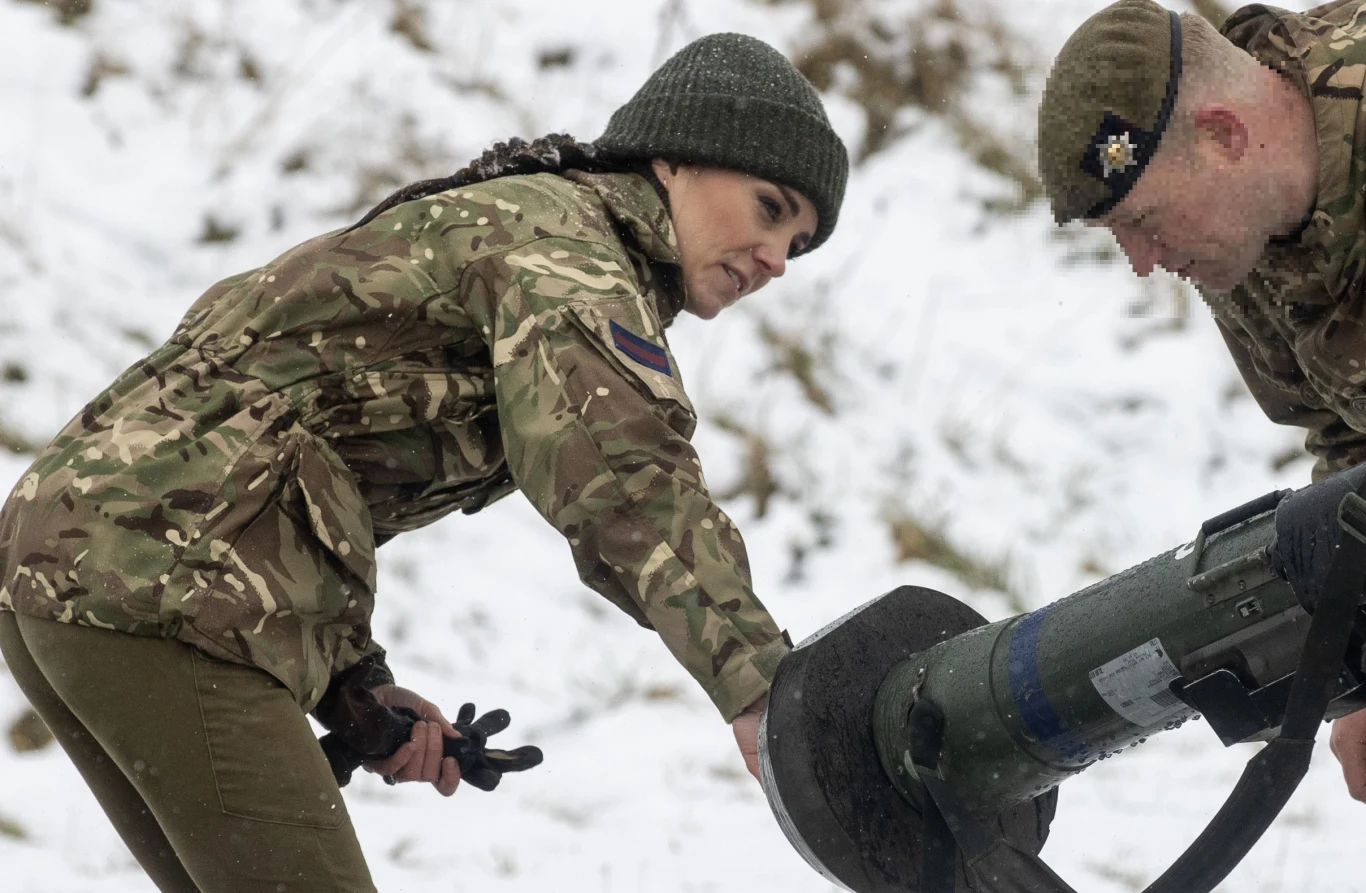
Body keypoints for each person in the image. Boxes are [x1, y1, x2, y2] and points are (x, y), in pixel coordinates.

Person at [0, 31, 848, 893]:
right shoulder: (567, 255)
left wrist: (355, 689)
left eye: (800, 243)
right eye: (770, 207)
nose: (777, 260)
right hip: (157, 579)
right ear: (678, 158)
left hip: (86, 564)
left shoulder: (531, 226)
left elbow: (288, 451)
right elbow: (622, 482)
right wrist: (757, 685)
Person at [1035, 0, 1366, 803]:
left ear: (1224, 135)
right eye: (1119, 236)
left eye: (1143, 222)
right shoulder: (1241, 241)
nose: (1143, 263)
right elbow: (1345, 442)